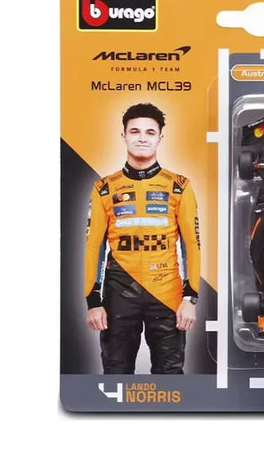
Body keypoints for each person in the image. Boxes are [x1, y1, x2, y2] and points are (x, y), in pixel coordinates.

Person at [84, 102, 200, 374]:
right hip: (119, 294)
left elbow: (192, 244)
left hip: (167, 293)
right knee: (115, 371)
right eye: (135, 131)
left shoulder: (179, 186)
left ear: (160, 137)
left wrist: (190, 298)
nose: (142, 138)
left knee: (170, 375)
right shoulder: (103, 188)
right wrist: (93, 301)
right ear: (123, 136)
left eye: (150, 132)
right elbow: (94, 246)